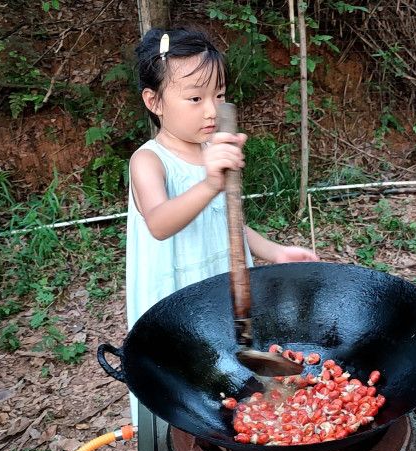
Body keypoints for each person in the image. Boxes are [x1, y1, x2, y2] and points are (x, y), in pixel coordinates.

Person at [126, 27, 318, 424]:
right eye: (195, 98)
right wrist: (211, 182)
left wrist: (274, 251)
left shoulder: (215, 149)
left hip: (223, 290)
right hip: (176, 298)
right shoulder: (149, 161)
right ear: (154, 101)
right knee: (182, 387)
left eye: (219, 94)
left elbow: (227, 223)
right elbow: (159, 223)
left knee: (228, 374)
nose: (212, 110)